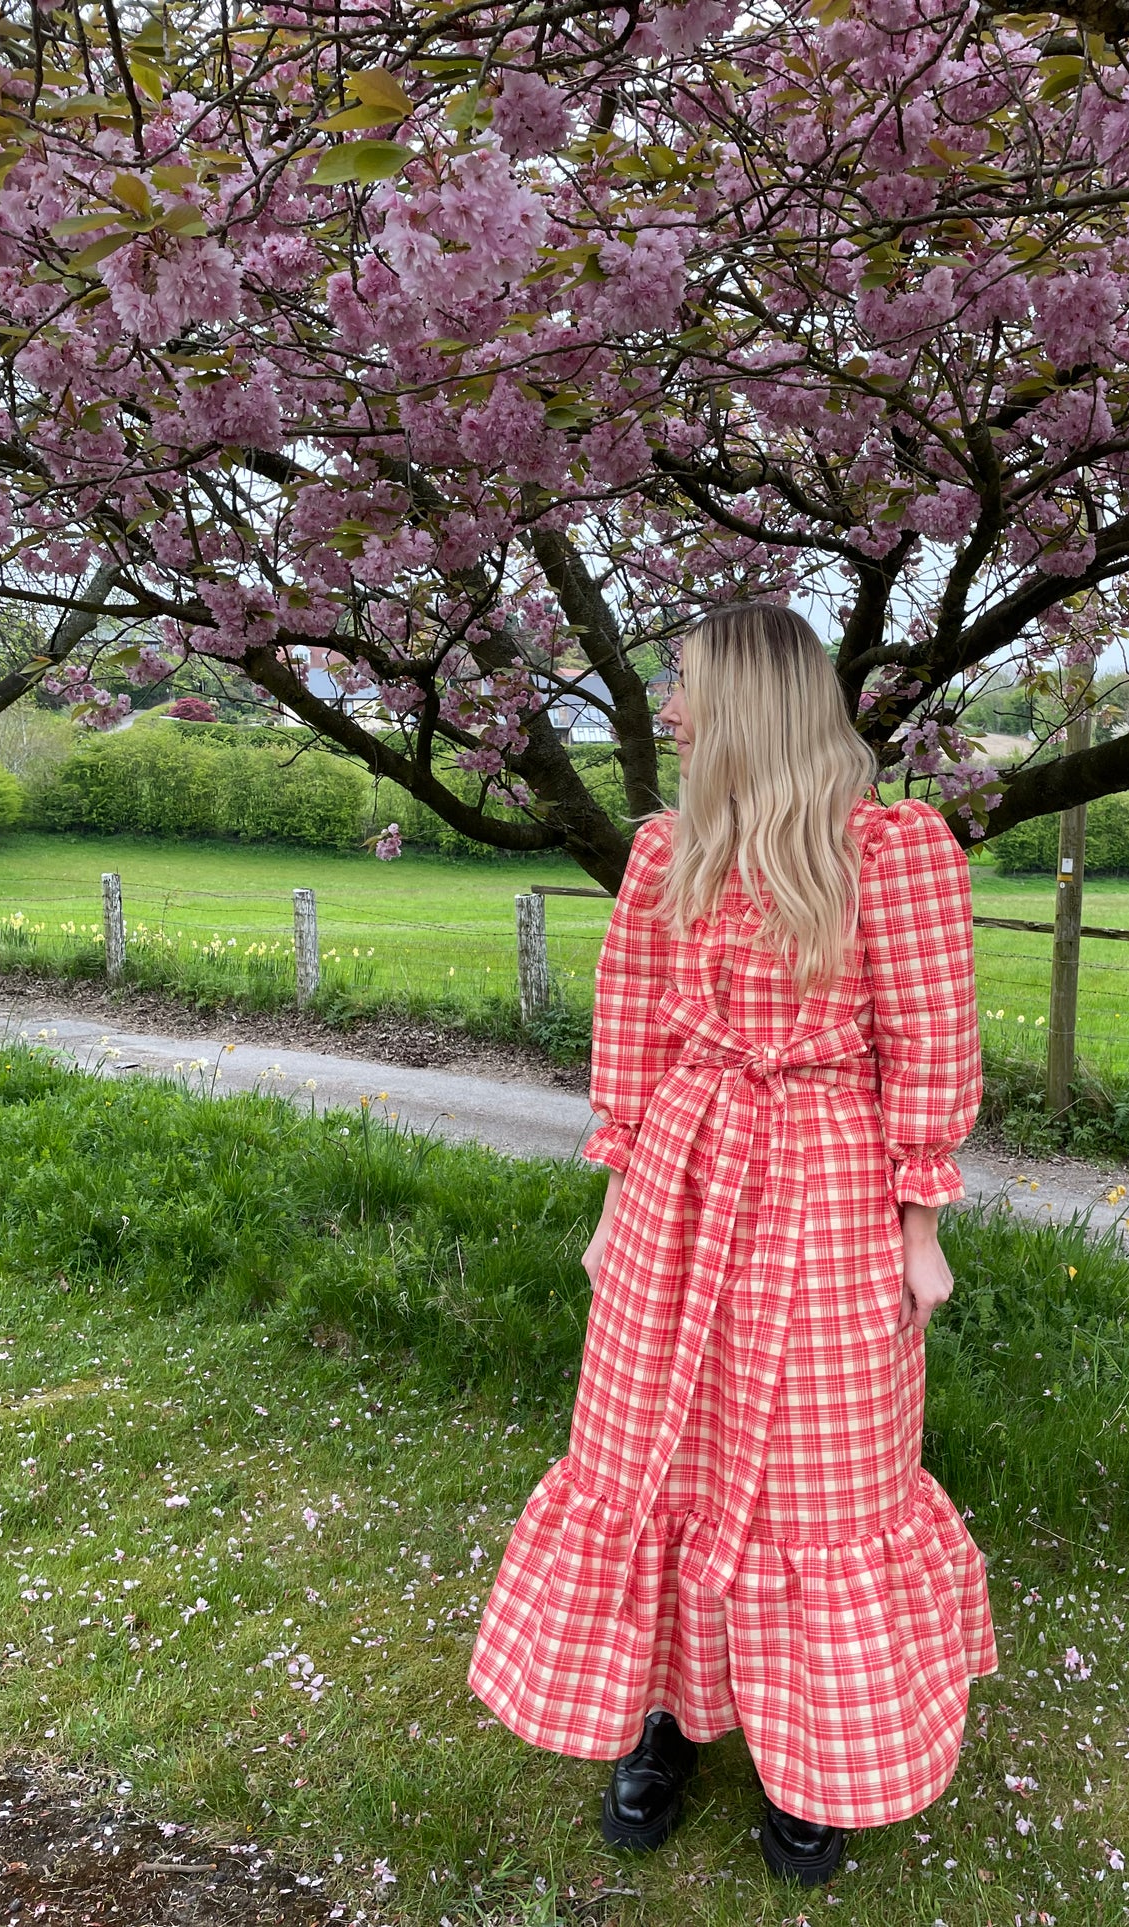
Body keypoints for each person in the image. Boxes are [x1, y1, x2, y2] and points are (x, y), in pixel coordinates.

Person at [469, 604, 996, 1885]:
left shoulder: (897, 850)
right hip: (680, 1178)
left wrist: (916, 1230)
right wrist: (610, 1214)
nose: (666, 701)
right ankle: (660, 1715)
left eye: (685, 681)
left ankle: (813, 1753)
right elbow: (632, 1040)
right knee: (653, 1443)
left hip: (825, 1178)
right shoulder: (667, 851)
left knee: (821, 1471)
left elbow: (930, 1048)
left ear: (749, 701)